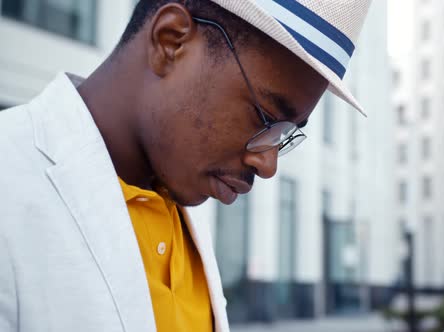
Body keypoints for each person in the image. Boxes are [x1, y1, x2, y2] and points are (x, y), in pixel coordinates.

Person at [0, 0, 371, 331]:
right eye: (265, 117)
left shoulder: (182, 194)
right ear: (171, 41)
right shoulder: (10, 184)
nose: (268, 163)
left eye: (284, 134)